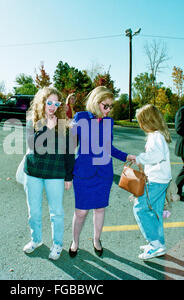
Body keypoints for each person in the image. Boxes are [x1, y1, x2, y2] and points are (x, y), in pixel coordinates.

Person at [69, 86, 133, 258]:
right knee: (81, 212)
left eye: (111, 106)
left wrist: (126, 156)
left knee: (100, 209)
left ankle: (96, 239)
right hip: (83, 173)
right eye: (106, 106)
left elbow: (108, 147)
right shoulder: (81, 117)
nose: (109, 110)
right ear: (96, 102)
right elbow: (70, 145)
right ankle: (75, 241)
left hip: (103, 173)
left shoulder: (108, 122)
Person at [22, 87, 75, 261]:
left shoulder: (64, 124)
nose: (52, 106)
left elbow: (69, 152)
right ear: (42, 102)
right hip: (34, 173)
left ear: (60, 105)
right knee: (34, 211)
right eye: (49, 102)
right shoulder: (33, 120)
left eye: (56, 103)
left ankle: (57, 244)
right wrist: (47, 129)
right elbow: (34, 146)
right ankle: (36, 240)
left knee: (56, 212)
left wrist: (69, 176)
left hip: (56, 173)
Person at [128, 104, 172, 260]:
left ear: (148, 121)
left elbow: (156, 156)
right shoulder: (158, 135)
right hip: (160, 179)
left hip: (156, 181)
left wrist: (139, 158)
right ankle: (158, 243)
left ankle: (155, 244)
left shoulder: (156, 136)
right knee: (155, 212)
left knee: (140, 209)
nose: (140, 125)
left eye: (141, 121)